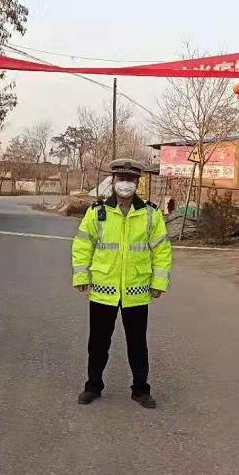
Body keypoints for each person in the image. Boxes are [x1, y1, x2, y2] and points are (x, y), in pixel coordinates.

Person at [71, 158, 173, 408]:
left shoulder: (150, 214)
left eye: (131, 179)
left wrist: (159, 282)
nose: (125, 183)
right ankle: (93, 386)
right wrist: (81, 276)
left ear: (138, 182)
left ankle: (141, 390)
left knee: (137, 344)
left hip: (136, 290)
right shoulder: (97, 212)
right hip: (102, 289)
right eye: (121, 178)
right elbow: (83, 245)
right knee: (98, 343)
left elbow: (162, 250)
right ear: (113, 180)